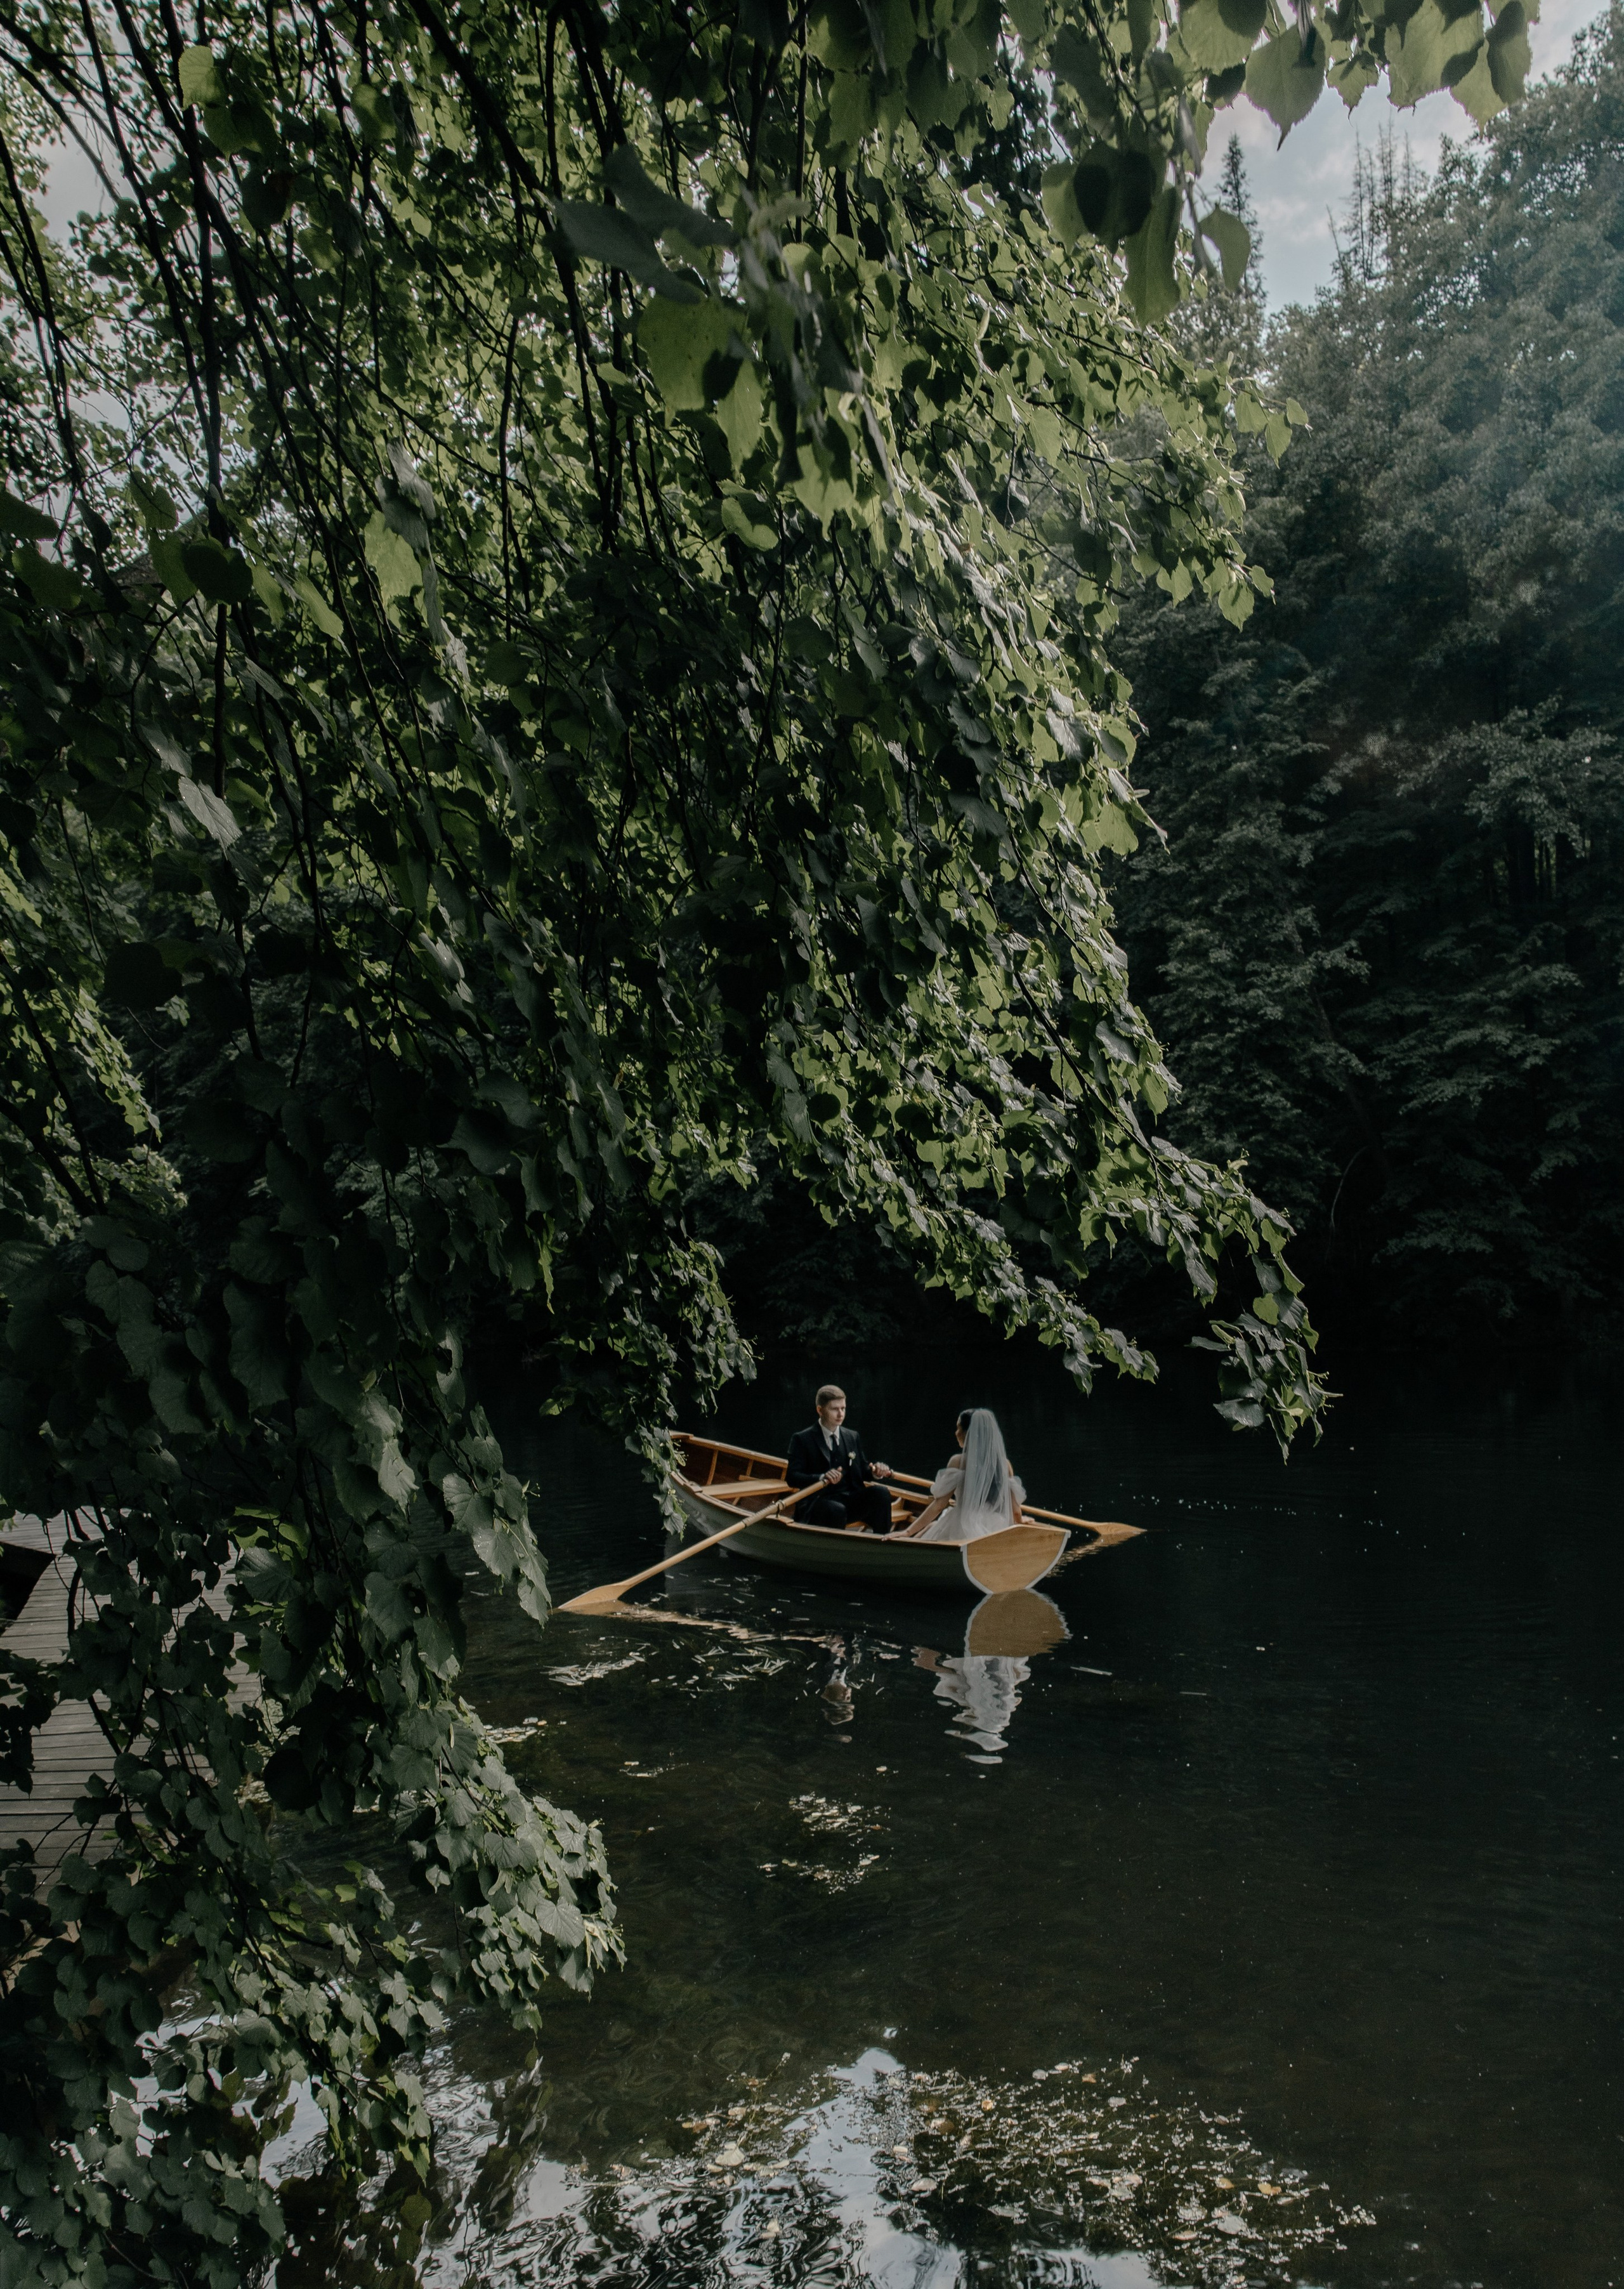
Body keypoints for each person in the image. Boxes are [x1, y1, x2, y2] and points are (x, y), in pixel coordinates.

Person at [892, 1407, 1025, 1542]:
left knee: (933, 1528)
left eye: (958, 1427)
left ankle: (909, 1541)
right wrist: (1021, 1524)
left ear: (969, 1433)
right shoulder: (1005, 1464)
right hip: (997, 1525)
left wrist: (908, 1532)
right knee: (933, 1526)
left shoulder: (958, 1461)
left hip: (964, 1525)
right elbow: (1016, 1512)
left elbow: (939, 1505)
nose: (956, 1433)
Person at [785, 1384, 895, 1533]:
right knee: (836, 1510)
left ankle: (882, 1543)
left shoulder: (852, 1436)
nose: (840, 1414)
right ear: (820, 1410)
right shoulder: (802, 1439)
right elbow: (792, 1477)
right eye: (834, 1409)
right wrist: (822, 1477)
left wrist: (877, 1472)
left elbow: (863, 1470)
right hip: (818, 1503)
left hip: (849, 1501)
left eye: (843, 1408)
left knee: (882, 1493)